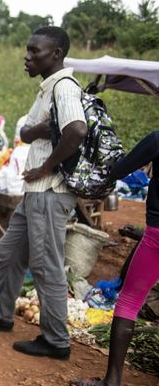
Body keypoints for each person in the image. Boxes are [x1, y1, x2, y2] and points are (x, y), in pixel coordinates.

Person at [0, 26, 87, 359]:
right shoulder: (47, 88)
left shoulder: (63, 87)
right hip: (35, 192)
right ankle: (2, 315)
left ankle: (56, 340)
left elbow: (76, 129)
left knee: (47, 266)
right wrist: (34, 133)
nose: (27, 56)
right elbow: (40, 131)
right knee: (9, 250)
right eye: (27, 50)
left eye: (35, 51)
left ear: (56, 54)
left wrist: (46, 167)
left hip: (49, 191)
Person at [70, 130, 159, 386]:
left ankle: (113, 380)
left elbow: (119, 169)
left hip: (156, 235)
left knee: (129, 302)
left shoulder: (156, 139)